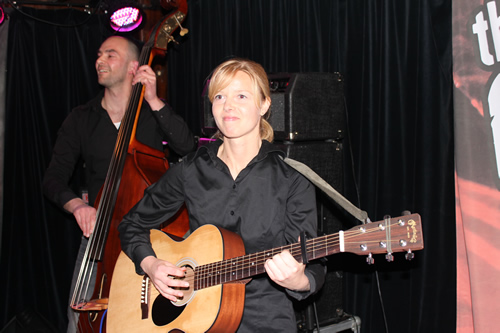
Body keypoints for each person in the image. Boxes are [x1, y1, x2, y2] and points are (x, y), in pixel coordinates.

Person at [118, 58, 326, 332]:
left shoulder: (293, 178)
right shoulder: (191, 169)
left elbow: (314, 264)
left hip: (266, 320)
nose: (228, 105)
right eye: (219, 96)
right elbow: (131, 224)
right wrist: (151, 264)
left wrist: (298, 281)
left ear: (264, 104)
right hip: (196, 319)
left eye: (241, 95)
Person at [42, 35, 196, 332]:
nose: (100, 60)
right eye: (99, 54)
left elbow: (187, 147)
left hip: (151, 233)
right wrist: (78, 206)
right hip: (99, 234)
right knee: (78, 320)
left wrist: (153, 99)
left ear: (133, 67)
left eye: (110, 55)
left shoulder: (152, 113)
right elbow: (53, 178)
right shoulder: (81, 118)